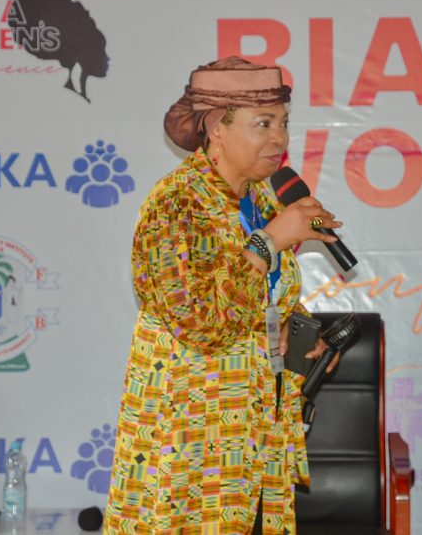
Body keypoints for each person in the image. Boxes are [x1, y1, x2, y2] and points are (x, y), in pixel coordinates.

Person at [104, 57, 342, 534]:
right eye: (263, 124)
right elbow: (201, 323)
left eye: (283, 123)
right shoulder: (177, 203)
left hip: (255, 430)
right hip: (192, 432)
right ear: (217, 129)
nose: (280, 139)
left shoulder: (262, 200)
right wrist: (270, 240)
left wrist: (298, 331)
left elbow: (262, 298)